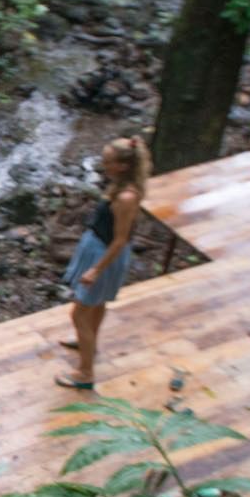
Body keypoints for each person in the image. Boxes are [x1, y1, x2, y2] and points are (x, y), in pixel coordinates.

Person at [56, 135, 152, 390]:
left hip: (105, 254)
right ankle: (89, 343)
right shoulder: (119, 185)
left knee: (79, 313)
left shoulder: (126, 197)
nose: (103, 165)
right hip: (97, 246)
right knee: (96, 306)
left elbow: (120, 240)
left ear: (122, 165)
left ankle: (85, 373)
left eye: (108, 161)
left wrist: (96, 270)